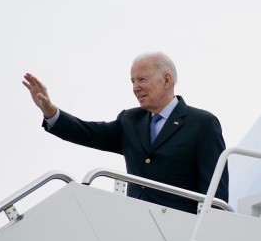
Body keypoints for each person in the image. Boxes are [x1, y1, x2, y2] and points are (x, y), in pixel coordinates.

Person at [22, 52, 229, 214]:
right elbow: (87, 132)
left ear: (167, 80)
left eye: (141, 79)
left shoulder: (202, 124)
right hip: (135, 224)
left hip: (182, 230)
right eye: (132, 81)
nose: (135, 88)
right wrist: (50, 112)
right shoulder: (130, 121)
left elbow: (215, 193)